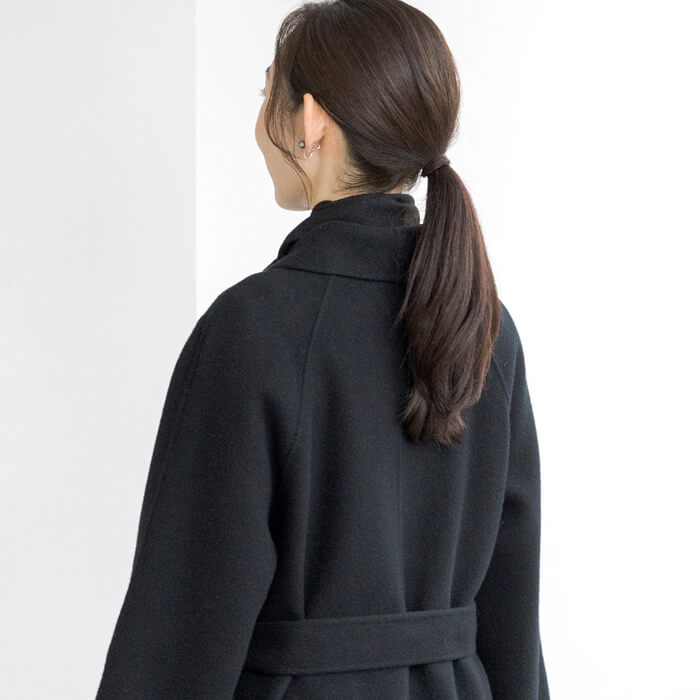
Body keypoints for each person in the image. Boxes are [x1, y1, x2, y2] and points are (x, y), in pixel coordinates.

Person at [95, 1, 550, 698]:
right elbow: (514, 626)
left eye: (266, 94)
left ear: (309, 122)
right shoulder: (484, 325)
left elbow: (181, 629)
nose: (260, 124)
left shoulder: (251, 330)